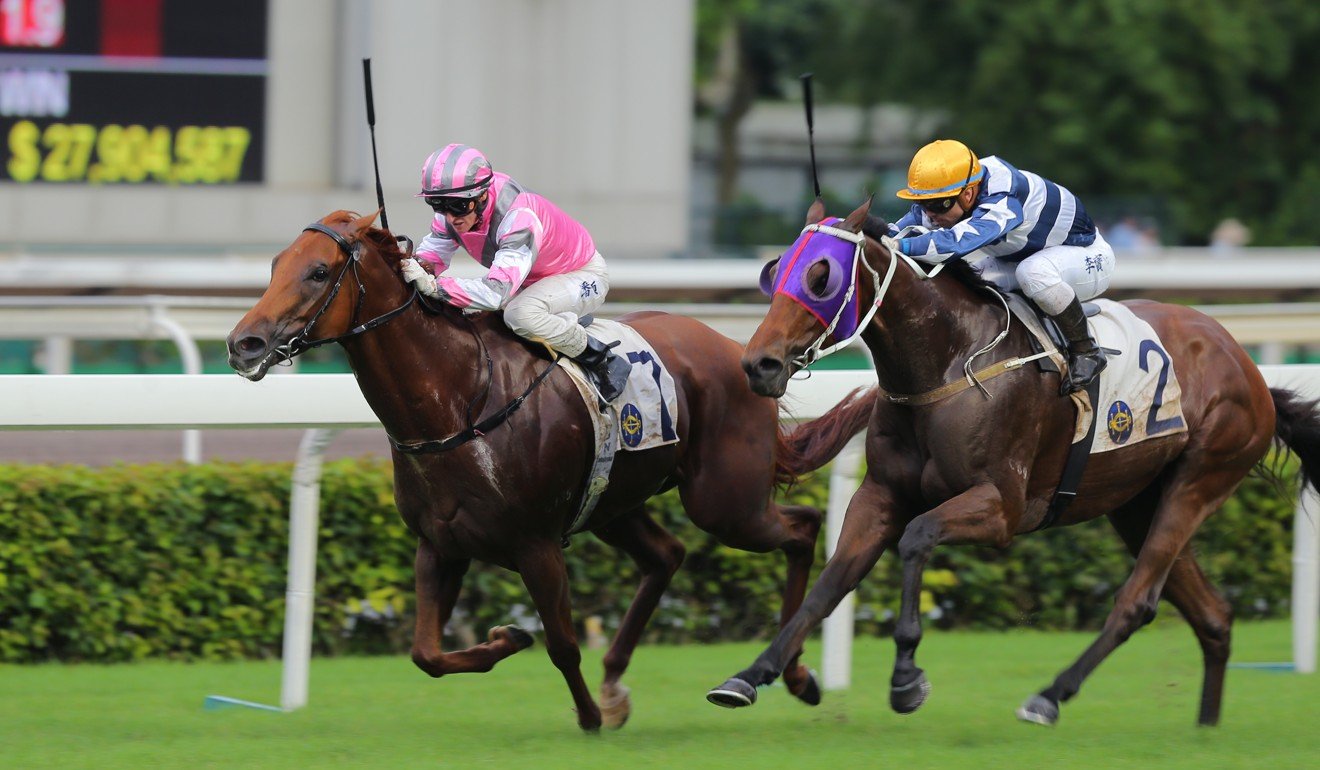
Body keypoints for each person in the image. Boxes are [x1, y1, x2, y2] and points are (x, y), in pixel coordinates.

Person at [398, 143, 632, 403]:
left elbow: (496, 292)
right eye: (438, 205)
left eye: (458, 207)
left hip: (582, 274)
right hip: (530, 280)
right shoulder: (455, 209)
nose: (450, 217)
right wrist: (407, 267)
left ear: (482, 197)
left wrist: (436, 287)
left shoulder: (518, 217)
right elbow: (431, 259)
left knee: (520, 314)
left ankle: (602, 360)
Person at [887, 139, 1115, 395]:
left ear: (968, 194)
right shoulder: (954, 189)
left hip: (1086, 256)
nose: (929, 215)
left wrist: (901, 247)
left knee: (1033, 274)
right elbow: (899, 231)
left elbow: (955, 243)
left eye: (938, 206)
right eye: (923, 204)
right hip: (1020, 258)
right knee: (967, 282)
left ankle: (1086, 350)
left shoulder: (1004, 193)